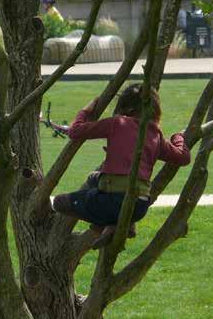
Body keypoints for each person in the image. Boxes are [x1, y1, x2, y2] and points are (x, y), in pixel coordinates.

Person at [53, 84, 190, 248]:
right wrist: (178, 136)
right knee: (93, 178)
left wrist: (86, 111)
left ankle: (108, 224)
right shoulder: (155, 134)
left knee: (59, 203)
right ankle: (118, 224)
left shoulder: (118, 123)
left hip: (113, 201)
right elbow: (183, 157)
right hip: (139, 206)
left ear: (127, 108)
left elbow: (75, 132)